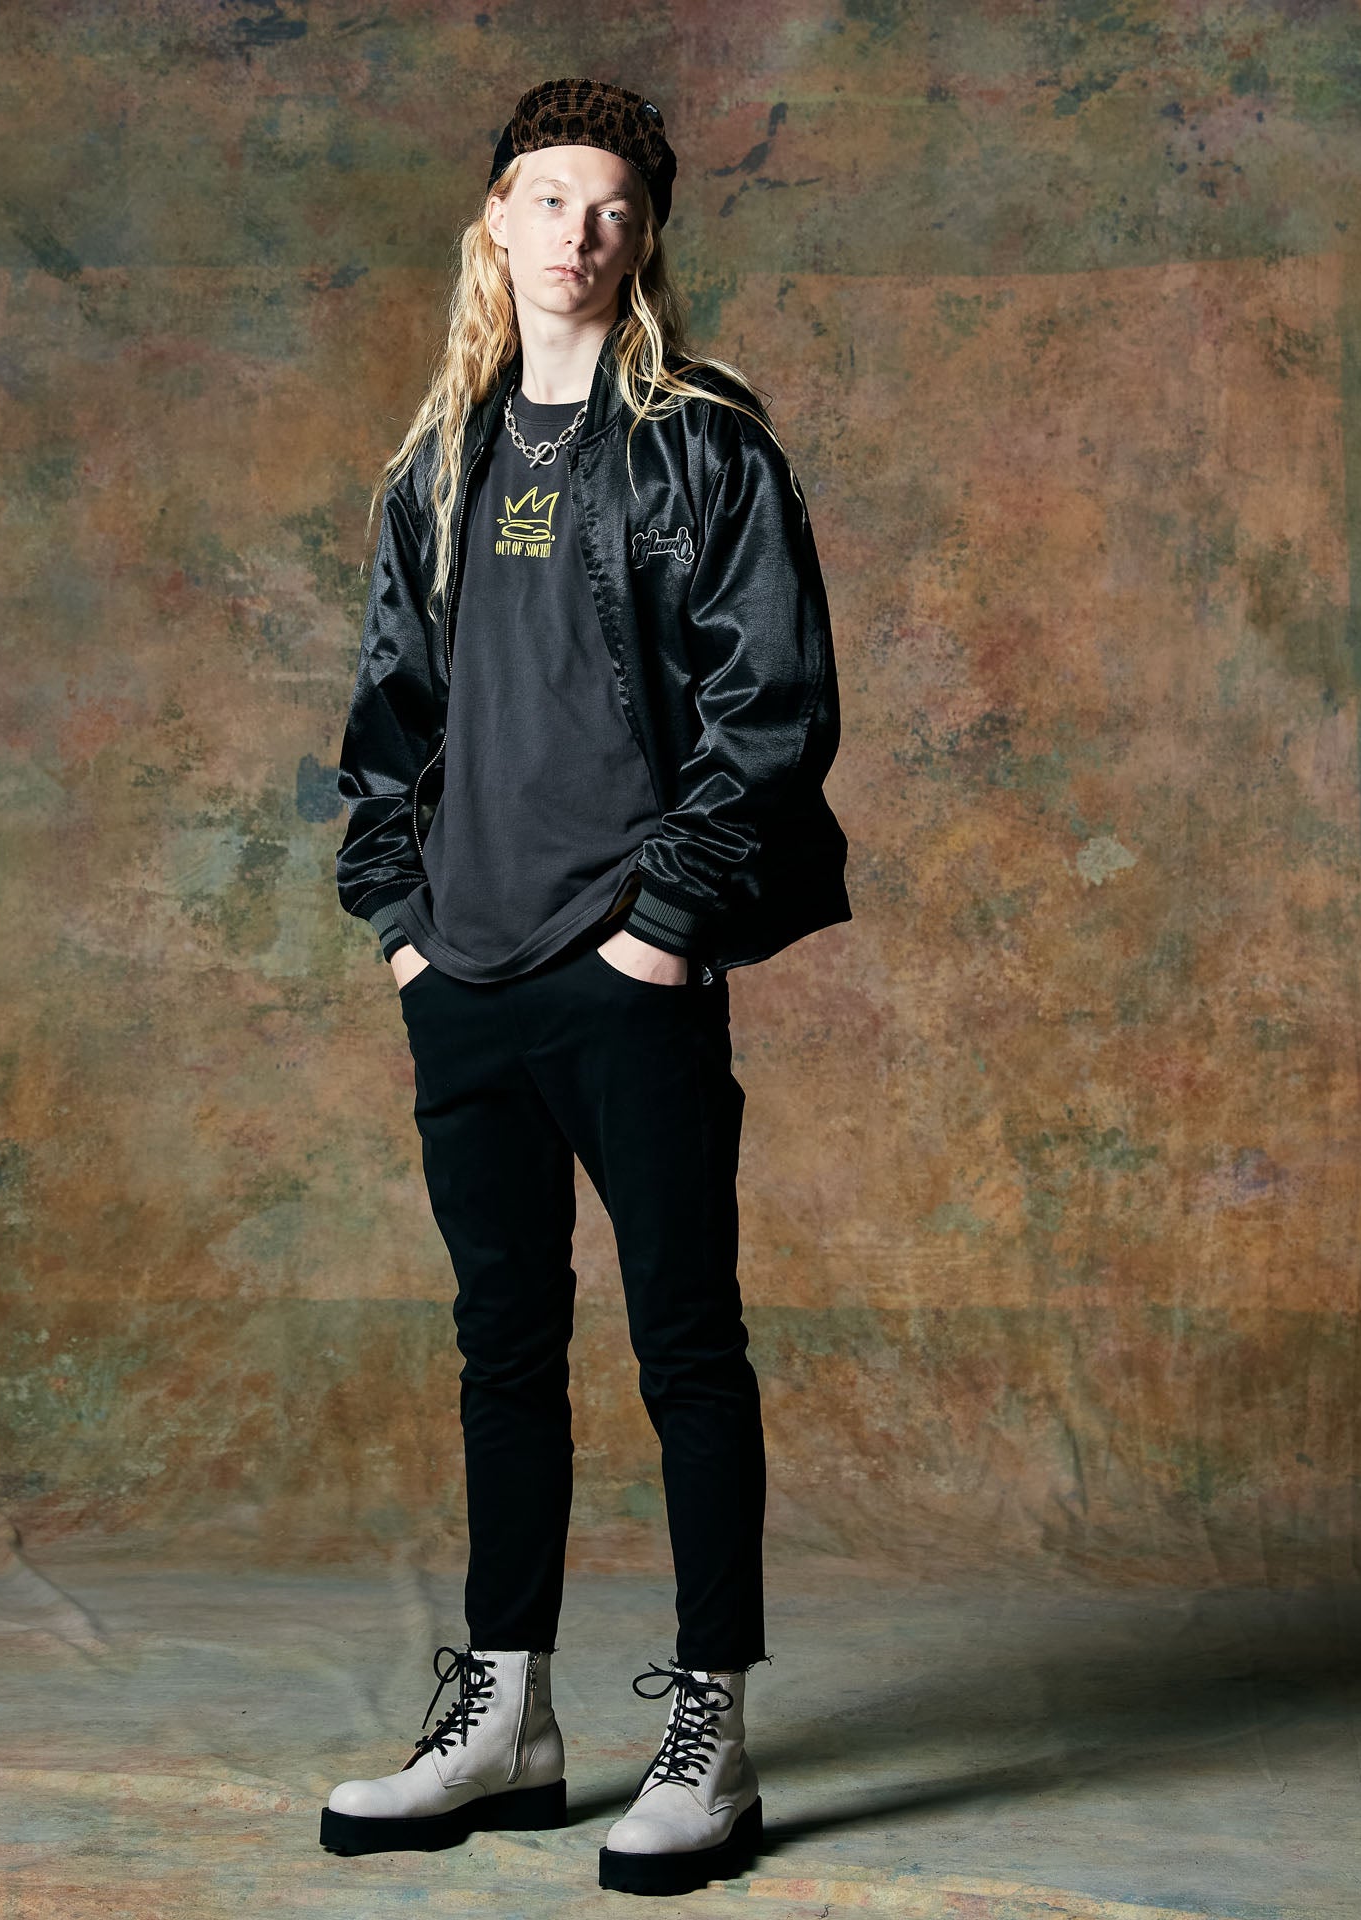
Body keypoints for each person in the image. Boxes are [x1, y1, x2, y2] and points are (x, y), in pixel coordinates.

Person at [320, 75, 850, 1897]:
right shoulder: (441, 457)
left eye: (614, 204)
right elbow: (385, 722)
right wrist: (403, 927)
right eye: (550, 197)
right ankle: (507, 1721)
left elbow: (771, 705)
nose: (580, 231)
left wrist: (663, 925)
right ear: (497, 220)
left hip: (626, 973)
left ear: (648, 236)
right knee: (505, 1350)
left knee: (685, 1344)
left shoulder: (704, 443)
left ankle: (712, 1734)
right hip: (461, 978)